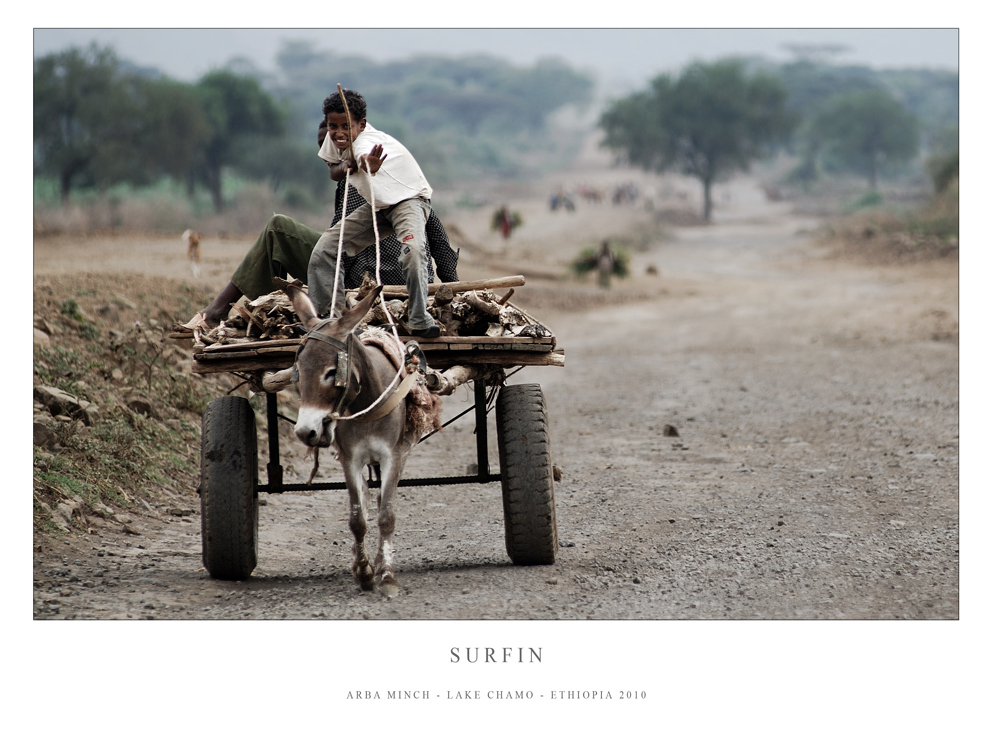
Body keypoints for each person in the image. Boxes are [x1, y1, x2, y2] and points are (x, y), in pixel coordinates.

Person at [173, 118, 458, 335]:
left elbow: (337, 252)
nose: (327, 153)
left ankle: (216, 312)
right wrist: (453, 287)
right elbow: (437, 239)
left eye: (331, 146)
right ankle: (229, 310)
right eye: (323, 146)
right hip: (376, 278)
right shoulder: (392, 180)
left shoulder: (357, 177)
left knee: (278, 229)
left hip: (360, 282)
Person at [309, 88, 440, 338]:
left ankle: (419, 318)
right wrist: (347, 165)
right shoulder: (332, 139)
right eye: (332, 125)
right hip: (379, 206)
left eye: (345, 126)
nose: (338, 133)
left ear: (362, 125)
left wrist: (365, 163)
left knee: (412, 253)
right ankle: (331, 319)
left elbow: (363, 156)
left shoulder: (366, 142)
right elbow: (333, 171)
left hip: (409, 201)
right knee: (324, 249)